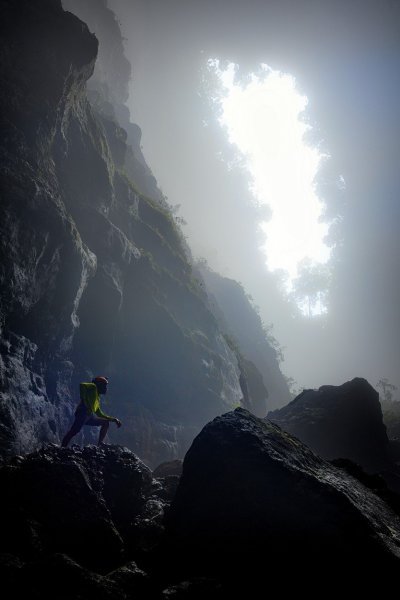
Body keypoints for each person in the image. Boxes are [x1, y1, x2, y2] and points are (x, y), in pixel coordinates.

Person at [61, 376, 122, 447]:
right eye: (104, 386)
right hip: (82, 413)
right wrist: (83, 399)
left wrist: (114, 419)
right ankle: (62, 447)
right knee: (74, 431)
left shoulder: (97, 398)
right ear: (99, 385)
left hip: (89, 416)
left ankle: (100, 445)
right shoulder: (93, 387)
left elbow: (99, 414)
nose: (106, 388)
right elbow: (82, 385)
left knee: (105, 423)